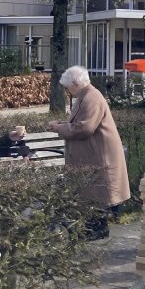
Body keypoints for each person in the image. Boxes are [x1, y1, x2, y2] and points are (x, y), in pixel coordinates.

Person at [46, 66, 130, 240]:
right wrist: (62, 124)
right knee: (93, 193)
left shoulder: (91, 97)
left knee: (96, 194)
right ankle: (94, 229)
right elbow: (82, 122)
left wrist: (59, 128)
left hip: (97, 155)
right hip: (94, 153)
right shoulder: (88, 96)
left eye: (68, 87)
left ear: (76, 83)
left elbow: (85, 127)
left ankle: (97, 230)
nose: (67, 91)